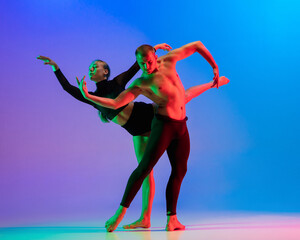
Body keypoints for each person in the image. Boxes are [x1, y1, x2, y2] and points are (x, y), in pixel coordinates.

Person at [37, 46, 229, 230]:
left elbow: (140, 63)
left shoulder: (117, 83)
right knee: (145, 171)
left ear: (106, 72)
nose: (92, 68)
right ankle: (145, 218)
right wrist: (56, 68)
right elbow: (68, 89)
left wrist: (154, 48)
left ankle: (213, 83)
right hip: (135, 130)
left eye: (97, 66)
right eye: (90, 67)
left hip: (147, 115)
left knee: (181, 98)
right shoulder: (93, 97)